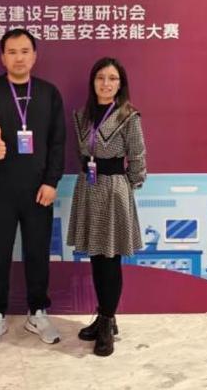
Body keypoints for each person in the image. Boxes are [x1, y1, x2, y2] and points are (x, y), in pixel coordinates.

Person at [0, 28, 65, 348]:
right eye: (12, 52)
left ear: (34, 56)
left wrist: (51, 182)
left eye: (25, 51)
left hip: (38, 189)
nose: (19, 58)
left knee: (37, 252)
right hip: (0, 187)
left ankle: (37, 312)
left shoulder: (49, 93)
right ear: (2, 58)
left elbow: (58, 142)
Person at [67, 57, 146, 357]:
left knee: (110, 259)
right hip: (88, 188)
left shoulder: (129, 115)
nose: (106, 83)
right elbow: (80, 153)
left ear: (120, 83)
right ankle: (103, 317)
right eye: (101, 77)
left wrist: (127, 187)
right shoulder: (82, 115)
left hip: (113, 190)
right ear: (93, 81)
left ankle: (108, 322)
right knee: (97, 257)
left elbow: (137, 157)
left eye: (112, 78)